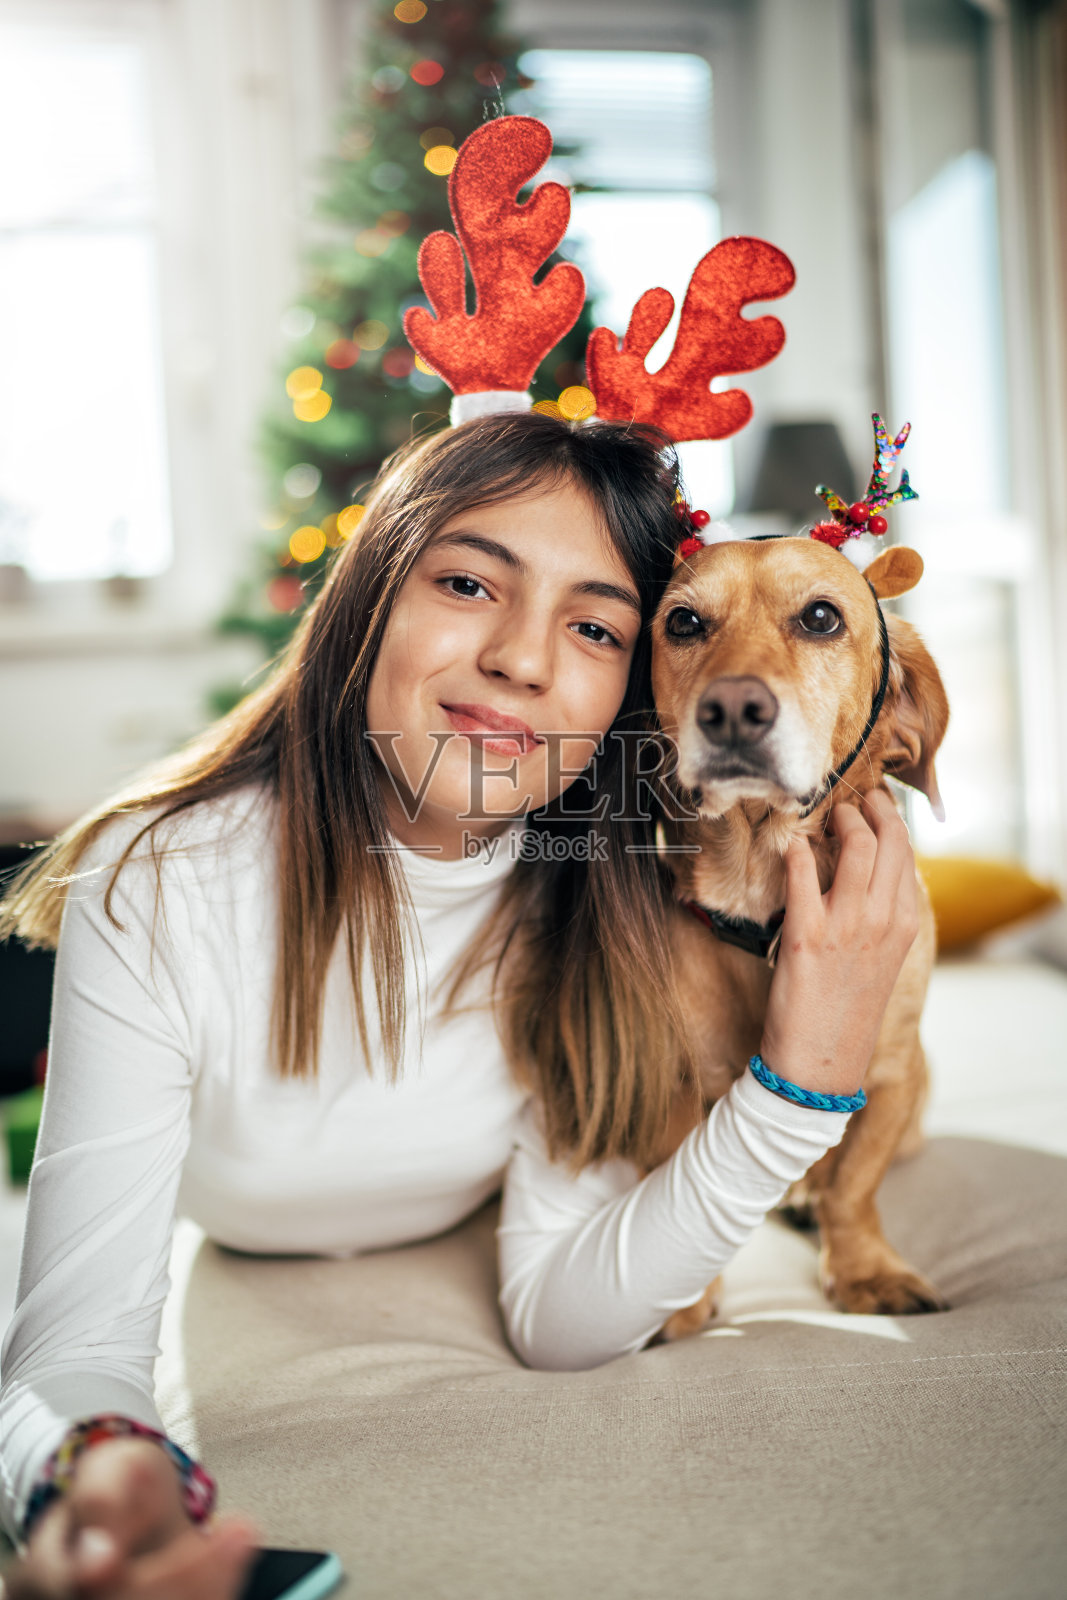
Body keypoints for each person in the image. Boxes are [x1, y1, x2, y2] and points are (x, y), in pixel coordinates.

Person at [0, 410, 919, 1599]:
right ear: (369, 596)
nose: (523, 659)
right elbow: (70, 1340)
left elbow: (560, 1315)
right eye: (468, 582)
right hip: (226, 1215)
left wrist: (801, 1083)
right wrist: (97, 1481)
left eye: (593, 624)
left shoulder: (609, 906)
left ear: (631, 698)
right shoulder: (160, 876)